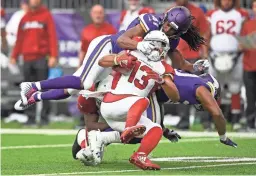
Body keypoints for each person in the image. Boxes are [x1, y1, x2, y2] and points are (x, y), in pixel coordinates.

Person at [14, 6, 208, 111]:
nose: (166, 29)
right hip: (109, 46)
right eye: (167, 25)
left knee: (74, 90)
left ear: (179, 32)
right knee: (84, 81)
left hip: (119, 64)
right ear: (165, 17)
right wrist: (140, 45)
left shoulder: (172, 41)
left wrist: (195, 68)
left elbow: (180, 64)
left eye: (172, 29)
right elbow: (123, 39)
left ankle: (34, 97)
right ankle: (33, 86)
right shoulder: (151, 21)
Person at [73, 70, 237, 167]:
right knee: (145, 131)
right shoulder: (202, 88)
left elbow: (159, 104)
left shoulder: (192, 82)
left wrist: (164, 129)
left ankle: (88, 138)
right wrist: (223, 136)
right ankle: (99, 138)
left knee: (147, 130)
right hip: (141, 89)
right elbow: (217, 113)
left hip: (147, 91)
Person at [92, 31, 179, 170]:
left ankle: (140, 156)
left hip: (129, 113)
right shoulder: (133, 52)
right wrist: (118, 60)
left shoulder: (164, 68)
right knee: (143, 101)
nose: (161, 49)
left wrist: (162, 81)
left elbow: (175, 97)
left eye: (164, 46)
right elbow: (101, 61)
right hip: (113, 103)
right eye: (159, 45)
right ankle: (128, 129)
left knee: (156, 129)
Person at [10, 0, 58, 125]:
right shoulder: (24, 18)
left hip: (41, 58)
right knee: (28, 90)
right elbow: (19, 39)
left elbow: (52, 36)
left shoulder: (46, 15)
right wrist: (14, 55)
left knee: (44, 89)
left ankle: (44, 118)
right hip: (27, 59)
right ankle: (30, 118)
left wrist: (53, 55)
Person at [167, 0, 210, 130]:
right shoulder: (170, 11)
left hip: (195, 55)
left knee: (202, 88)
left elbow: (205, 32)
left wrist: (205, 51)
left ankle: (205, 121)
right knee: (180, 88)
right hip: (177, 56)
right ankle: (184, 120)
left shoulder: (197, 11)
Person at [206, 0, 249, 130]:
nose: (226, 2)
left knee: (235, 87)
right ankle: (216, 119)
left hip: (235, 54)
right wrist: (205, 47)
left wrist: (244, 44)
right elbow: (207, 33)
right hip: (215, 54)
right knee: (215, 87)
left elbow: (245, 31)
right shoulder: (212, 13)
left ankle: (235, 119)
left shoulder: (241, 14)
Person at [240, 0, 256, 130]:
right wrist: (243, 44)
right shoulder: (247, 24)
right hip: (249, 66)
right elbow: (241, 45)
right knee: (250, 97)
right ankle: (250, 123)